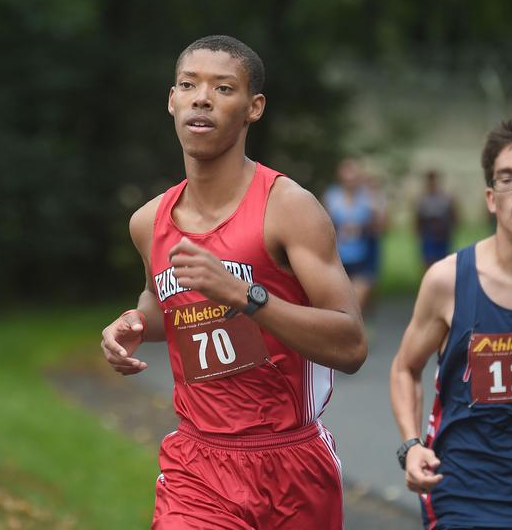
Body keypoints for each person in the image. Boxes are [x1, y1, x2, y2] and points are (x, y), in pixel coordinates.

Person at [100, 35, 367, 529]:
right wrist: (134, 323)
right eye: (189, 85)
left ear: (254, 107)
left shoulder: (288, 208)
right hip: (197, 465)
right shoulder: (148, 222)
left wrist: (246, 297)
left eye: (223, 88)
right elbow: (162, 301)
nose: (202, 97)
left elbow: (350, 345)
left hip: (293, 463)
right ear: (172, 100)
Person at [389, 116, 512, 529]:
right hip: (464, 490)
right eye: (507, 179)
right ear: (489, 197)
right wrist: (411, 445)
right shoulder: (448, 281)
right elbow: (405, 368)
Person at [323, 158, 382, 310]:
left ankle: (360, 327)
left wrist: (371, 218)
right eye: (346, 174)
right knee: (340, 306)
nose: (350, 179)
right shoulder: (332, 196)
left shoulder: (368, 197)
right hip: (338, 258)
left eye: (353, 175)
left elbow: (381, 227)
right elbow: (322, 226)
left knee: (357, 304)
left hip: (363, 258)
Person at [415, 169, 458, 270]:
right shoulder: (422, 198)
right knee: (428, 261)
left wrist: (451, 229)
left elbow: (453, 214)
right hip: (428, 232)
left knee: (445, 261)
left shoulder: (446, 197)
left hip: (442, 232)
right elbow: (418, 218)